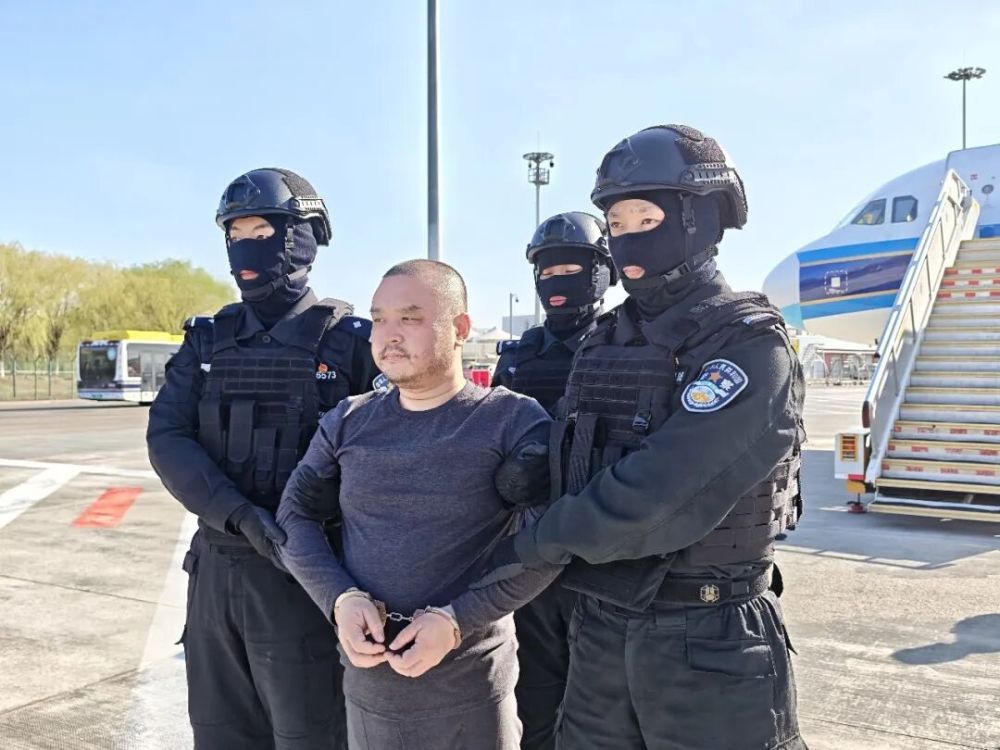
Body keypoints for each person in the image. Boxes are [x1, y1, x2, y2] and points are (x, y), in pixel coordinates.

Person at [475, 125, 808, 749]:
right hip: (600, 624)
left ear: (700, 219)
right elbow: (575, 433)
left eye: (647, 218)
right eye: (617, 223)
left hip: (707, 633)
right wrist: (535, 459)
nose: (630, 237)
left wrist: (534, 542)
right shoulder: (607, 340)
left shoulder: (747, 345)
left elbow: (662, 492)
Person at [276, 259, 559, 750]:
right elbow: (293, 515)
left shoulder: (512, 420)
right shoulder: (347, 420)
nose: (389, 335)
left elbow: (549, 543)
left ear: (460, 329)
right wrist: (340, 599)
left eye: (410, 318)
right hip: (368, 696)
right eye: (379, 319)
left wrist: (456, 620)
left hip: (472, 698)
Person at [147, 167, 378, 749]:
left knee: (311, 733)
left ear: (306, 238)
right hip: (217, 570)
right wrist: (238, 514)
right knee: (219, 733)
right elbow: (167, 436)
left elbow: (391, 451)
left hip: (308, 574)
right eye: (235, 234)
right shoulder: (207, 339)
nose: (246, 248)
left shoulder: (351, 342)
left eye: (263, 232)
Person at [491, 211, 616, 749]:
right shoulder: (519, 357)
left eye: (571, 269)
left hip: (605, 553)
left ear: (603, 272)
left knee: (602, 708)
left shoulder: (627, 346)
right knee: (535, 701)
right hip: (533, 550)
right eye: (546, 271)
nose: (556, 282)